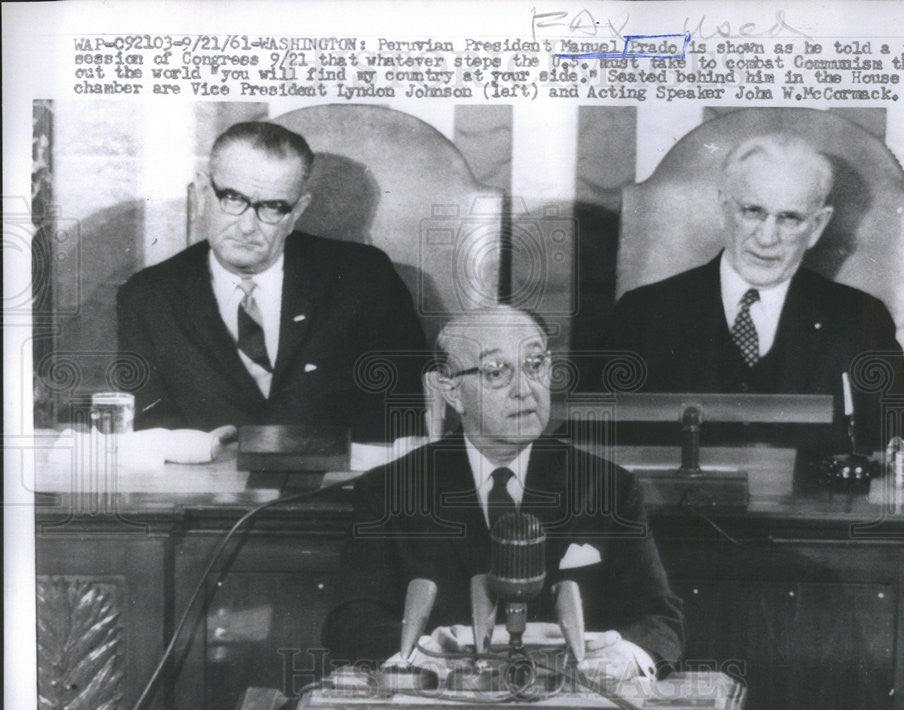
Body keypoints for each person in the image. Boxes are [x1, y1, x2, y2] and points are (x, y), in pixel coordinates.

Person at [323, 306, 685, 677]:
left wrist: (626, 656)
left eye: (534, 365)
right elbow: (354, 620)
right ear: (451, 390)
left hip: (570, 704)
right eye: (496, 372)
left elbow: (658, 618)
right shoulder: (389, 490)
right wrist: (420, 660)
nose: (524, 390)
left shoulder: (608, 487)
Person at [609, 133, 904, 451]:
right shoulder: (644, 313)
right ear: (724, 206)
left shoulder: (858, 319)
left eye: (789, 218)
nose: (767, 237)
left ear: (817, 226)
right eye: (752, 211)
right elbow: (587, 447)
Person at [117, 121, 427, 439]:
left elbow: (404, 415)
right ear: (200, 193)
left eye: (273, 207)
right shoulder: (148, 296)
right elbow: (146, 431)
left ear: (297, 212)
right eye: (233, 198)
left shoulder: (363, 279)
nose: (248, 227)